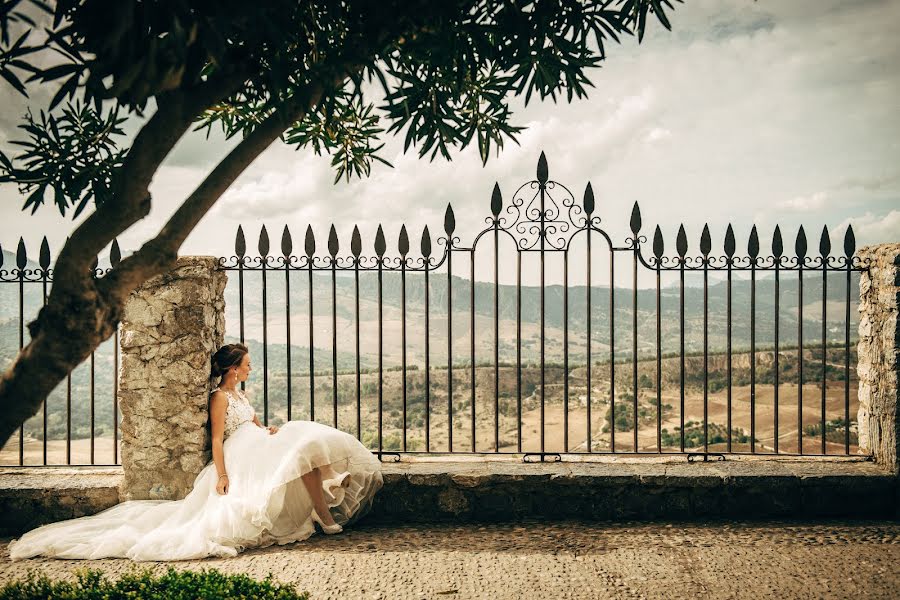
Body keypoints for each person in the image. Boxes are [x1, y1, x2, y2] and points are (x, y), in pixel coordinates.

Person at [8, 342, 383, 561]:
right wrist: (222, 474)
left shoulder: (240, 392)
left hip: (255, 439)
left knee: (304, 442)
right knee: (302, 453)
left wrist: (265, 428)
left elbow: (251, 421)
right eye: (248, 364)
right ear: (234, 369)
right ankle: (326, 504)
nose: (251, 368)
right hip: (239, 452)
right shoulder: (219, 397)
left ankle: (327, 494)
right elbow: (219, 438)